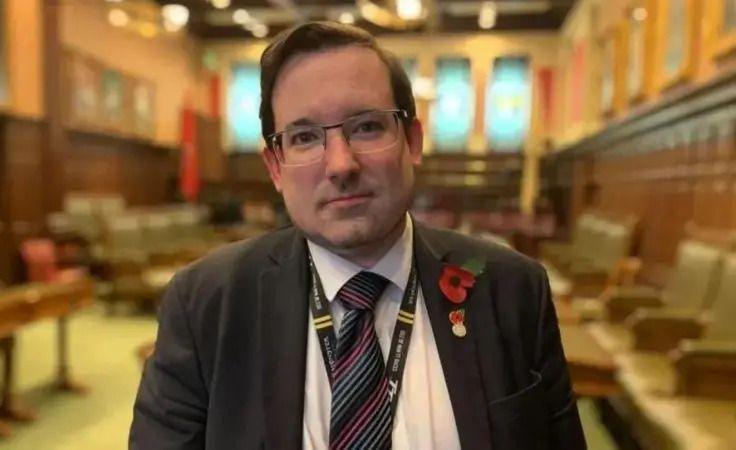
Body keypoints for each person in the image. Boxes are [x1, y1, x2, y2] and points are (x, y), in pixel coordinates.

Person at [130, 21, 586, 450]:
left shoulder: (511, 289)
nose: (341, 165)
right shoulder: (205, 303)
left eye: (367, 127)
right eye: (305, 137)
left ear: (412, 141)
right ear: (274, 166)